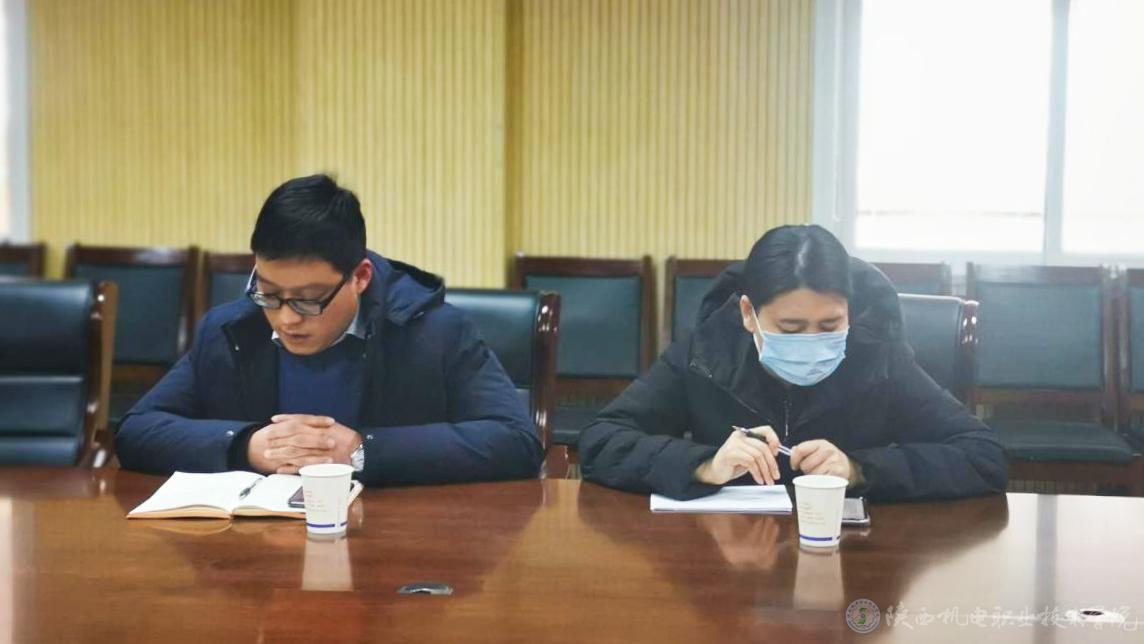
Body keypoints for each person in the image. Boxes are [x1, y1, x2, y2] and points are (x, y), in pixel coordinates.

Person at [117, 174, 542, 484]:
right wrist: (246, 446)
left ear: (360, 277)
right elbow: (138, 430)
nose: (286, 319)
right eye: (269, 293)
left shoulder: (434, 332)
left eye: (308, 299)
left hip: (394, 547)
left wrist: (361, 451)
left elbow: (516, 441)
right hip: (257, 551)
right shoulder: (230, 330)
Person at [579, 224, 1007, 501]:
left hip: (855, 563)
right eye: (790, 327)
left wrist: (859, 469)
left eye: (830, 324)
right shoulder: (708, 354)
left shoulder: (879, 356)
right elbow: (601, 441)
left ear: (850, 312)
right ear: (748, 314)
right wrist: (706, 464)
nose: (812, 341)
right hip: (728, 564)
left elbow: (982, 456)